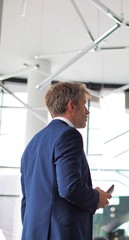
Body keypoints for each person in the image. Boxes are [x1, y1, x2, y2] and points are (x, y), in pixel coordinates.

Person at [20, 81, 112, 240]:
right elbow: (69, 187)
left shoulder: (33, 144)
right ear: (71, 106)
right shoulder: (69, 135)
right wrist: (96, 197)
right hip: (61, 234)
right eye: (84, 105)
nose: (87, 111)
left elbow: (26, 199)